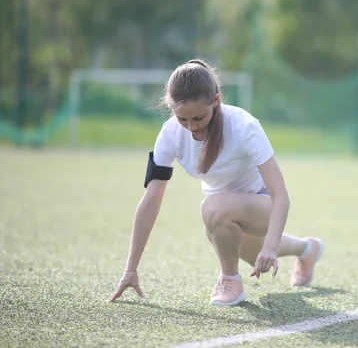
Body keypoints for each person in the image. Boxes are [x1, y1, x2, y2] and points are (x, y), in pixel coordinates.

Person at [108, 59, 325, 306]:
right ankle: (308, 249)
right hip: (222, 216)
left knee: (213, 209)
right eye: (182, 119)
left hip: (262, 205)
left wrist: (271, 246)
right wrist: (130, 269)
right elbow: (151, 201)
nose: (192, 128)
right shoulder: (169, 134)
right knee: (246, 249)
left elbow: (280, 196)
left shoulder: (245, 126)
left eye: (198, 118)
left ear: (216, 101)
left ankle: (230, 280)